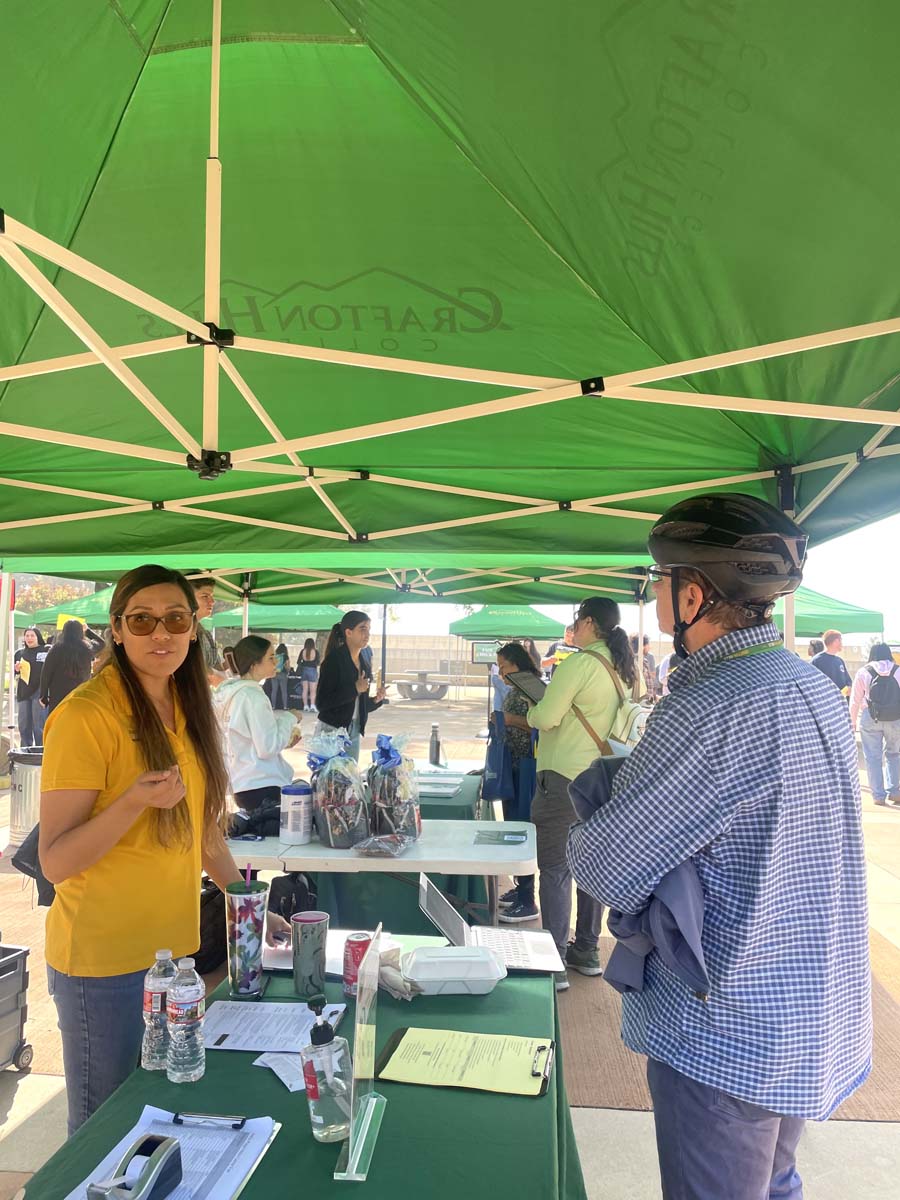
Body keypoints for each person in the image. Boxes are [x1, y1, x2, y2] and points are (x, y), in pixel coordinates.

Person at [567, 493, 871, 1199]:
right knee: (775, 1182)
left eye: (659, 581)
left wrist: (607, 799)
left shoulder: (709, 707)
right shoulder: (812, 688)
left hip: (726, 1029)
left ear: (694, 594)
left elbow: (606, 866)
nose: (654, 596)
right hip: (803, 1011)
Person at [38, 564, 290, 1136]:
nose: (161, 634)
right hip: (102, 965)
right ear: (117, 629)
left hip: (174, 960)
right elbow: (56, 860)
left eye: (175, 619)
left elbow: (203, 836)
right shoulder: (85, 716)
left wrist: (247, 904)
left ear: (193, 629)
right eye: (142, 619)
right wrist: (129, 802)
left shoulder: (189, 709)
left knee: (157, 1118)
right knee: (104, 1130)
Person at [526, 597, 636, 990]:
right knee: (591, 867)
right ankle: (586, 949)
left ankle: (553, 957)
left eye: (577, 621)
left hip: (563, 778)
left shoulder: (579, 663)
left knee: (555, 868)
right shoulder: (625, 668)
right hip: (603, 780)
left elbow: (546, 716)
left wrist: (531, 712)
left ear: (589, 623)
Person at [214, 636, 301, 812]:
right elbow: (267, 747)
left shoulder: (230, 694)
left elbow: (251, 740)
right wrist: (289, 717)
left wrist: (284, 738)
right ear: (254, 664)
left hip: (242, 784)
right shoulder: (253, 696)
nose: (276, 661)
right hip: (263, 785)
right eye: (270, 657)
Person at [494, 643, 540, 923]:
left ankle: (527, 899)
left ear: (518, 664)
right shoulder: (515, 689)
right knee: (512, 828)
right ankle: (519, 886)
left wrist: (510, 719)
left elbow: (540, 724)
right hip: (511, 766)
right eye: (498, 668)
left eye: (504, 667)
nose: (500, 673)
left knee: (522, 829)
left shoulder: (533, 689)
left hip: (527, 768)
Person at [315, 611, 385, 761]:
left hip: (354, 729)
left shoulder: (364, 662)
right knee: (330, 781)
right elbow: (322, 703)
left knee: (350, 779)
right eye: (362, 629)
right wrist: (355, 689)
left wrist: (376, 701)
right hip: (331, 730)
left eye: (369, 629)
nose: (367, 634)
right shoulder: (334, 661)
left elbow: (359, 704)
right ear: (348, 632)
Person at [850, 641, 900, 807]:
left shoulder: (864, 671)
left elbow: (855, 700)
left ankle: (878, 796)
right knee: (894, 754)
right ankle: (895, 791)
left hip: (870, 717)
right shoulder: (898, 670)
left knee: (872, 757)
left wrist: (852, 723)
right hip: (895, 718)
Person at [40, 620, 93, 713]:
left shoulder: (56, 649)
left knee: (58, 722)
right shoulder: (87, 649)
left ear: (64, 632)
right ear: (81, 632)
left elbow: (46, 673)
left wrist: (43, 695)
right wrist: (88, 631)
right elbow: (102, 643)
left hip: (58, 693)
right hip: (80, 693)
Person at [14, 627, 50, 746]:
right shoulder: (19, 653)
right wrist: (17, 670)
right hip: (23, 692)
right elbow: (15, 674)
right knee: (24, 726)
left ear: (38, 637)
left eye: (32, 635)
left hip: (40, 692)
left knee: (38, 727)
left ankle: (40, 754)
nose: (29, 638)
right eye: (27, 635)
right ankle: (25, 753)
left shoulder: (46, 650)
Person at [190, 575, 227, 685]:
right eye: (205, 596)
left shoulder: (206, 634)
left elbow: (219, 667)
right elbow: (195, 668)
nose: (212, 601)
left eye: (212, 596)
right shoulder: (176, 634)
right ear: (186, 598)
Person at [810, 628, 852, 696]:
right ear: (835, 641)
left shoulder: (840, 661)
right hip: (824, 703)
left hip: (839, 703)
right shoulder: (816, 661)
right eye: (840, 641)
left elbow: (848, 683)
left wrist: (845, 692)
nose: (842, 644)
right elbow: (811, 684)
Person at [298, 637, 320, 712]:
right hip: (312, 671)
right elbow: (318, 662)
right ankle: (312, 705)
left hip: (304, 670)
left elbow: (298, 662)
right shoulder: (316, 651)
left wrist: (304, 663)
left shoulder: (302, 651)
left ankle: (305, 706)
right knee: (313, 690)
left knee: (305, 689)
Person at [271, 642, 291, 710]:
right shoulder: (285, 656)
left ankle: (273, 706)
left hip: (274, 674)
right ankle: (285, 706)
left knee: (274, 690)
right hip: (283, 674)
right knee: (284, 691)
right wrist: (288, 671)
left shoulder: (275, 655)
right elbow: (287, 665)